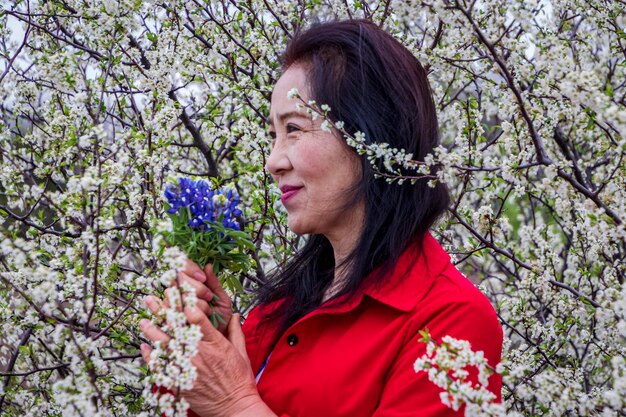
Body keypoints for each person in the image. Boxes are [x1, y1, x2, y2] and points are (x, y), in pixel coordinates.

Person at [140, 19, 503, 417]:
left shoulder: (452, 323)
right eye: (273, 136)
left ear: (371, 136)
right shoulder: (280, 309)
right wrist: (207, 356)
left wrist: (234, 403)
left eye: (293, 129)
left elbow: (236, 405)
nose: (273, 162)